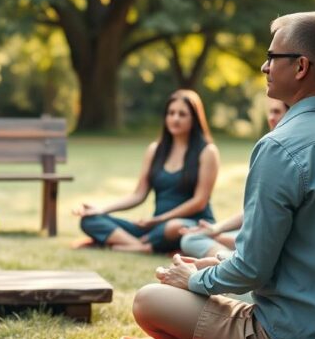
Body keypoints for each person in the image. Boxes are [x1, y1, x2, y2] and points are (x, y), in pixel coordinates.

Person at [133, 12, 315, 339]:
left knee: (148, 299)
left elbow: (252, 271)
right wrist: (216, 264)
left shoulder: (280, 147)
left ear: (301, 66)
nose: (264, 66)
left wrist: (195, 278)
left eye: (272, 57)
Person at [74, 89, 220, 253]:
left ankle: (133, 245)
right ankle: (141, 246)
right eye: (171, 113)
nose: (175, 118)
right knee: (89, 220)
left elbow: (199, 201)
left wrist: (159, 220)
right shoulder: (155, 150)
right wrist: (101, 209)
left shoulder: (208, 152)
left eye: (182, 114)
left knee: (174, 227)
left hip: (189, 224)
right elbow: (138, 195)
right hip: (156, 227)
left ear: (195, 118)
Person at [180, 98, 288, 258]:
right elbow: (254, 209)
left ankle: (226, 261)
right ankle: (227, 256)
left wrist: (218, 232)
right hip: (251, 234)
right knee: (190, 238)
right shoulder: (271, 146)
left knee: (190, 237)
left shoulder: (283, 152)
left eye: (277, 112)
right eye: (270, 111)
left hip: (267, 239)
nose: (271, 117)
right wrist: (216, 229)